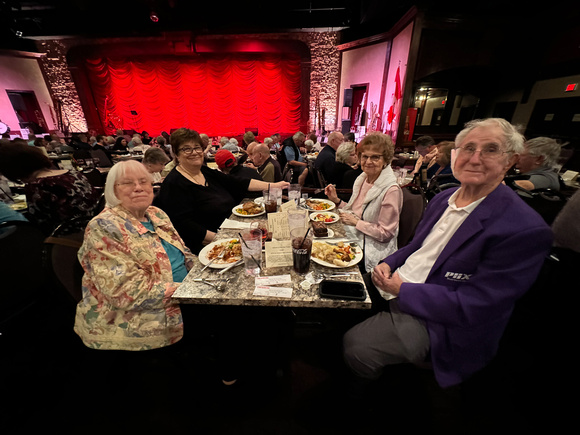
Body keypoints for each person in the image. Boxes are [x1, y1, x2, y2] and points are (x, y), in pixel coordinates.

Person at [342, 118, 553, 391]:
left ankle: (370, 400)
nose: (475, 158)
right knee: (340, 303)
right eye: (468, 148)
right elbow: (416, 246)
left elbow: (478, 305)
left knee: (357, 346)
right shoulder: (445, 198)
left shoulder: (524, 228)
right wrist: (388, 262)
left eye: (490, 149)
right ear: (455, 155)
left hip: (439, 322)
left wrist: (403, 289)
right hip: (397, 284)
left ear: (510, 160)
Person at [153, 128, 288, 254]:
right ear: (176, 154)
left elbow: (236, 182)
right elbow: (187, 228)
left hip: (231, 229)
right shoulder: (174, 184)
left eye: (197, 147)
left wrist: (272, 185)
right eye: (186, 149)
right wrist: (230, 241)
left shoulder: (204, 171)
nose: (194, 152)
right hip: (212, 248)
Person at [324, 132, 403, 273]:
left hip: (372, 246)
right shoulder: (363, 179)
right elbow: (356, 211)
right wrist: (337, 201)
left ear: (386, 160)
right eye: (365, 156)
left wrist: (356, 222)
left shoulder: (391, 190)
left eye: (375, 157)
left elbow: (385, 234)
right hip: (356, 234)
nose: (368, 161)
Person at [0, 142, 100, 235]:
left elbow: (40, 225)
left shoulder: (37, 186)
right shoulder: (74, 174)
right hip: (96, 229)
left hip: (67, 239)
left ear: (13, 170)